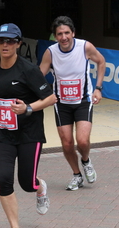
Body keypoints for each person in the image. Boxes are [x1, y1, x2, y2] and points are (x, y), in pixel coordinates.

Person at [0, 23, 57, 228]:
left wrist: (29, 108)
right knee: (3, 180)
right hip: (2, 134)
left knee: (26, 183)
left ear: (18, 44)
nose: (5, 45)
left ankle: (40, 187)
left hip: (28, 135)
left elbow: (51, 98)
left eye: (10, 41)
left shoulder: (28, 70)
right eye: (1, 41)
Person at [39, 16, 106, 191]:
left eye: (67, 33)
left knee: (82, 141)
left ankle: (86, 161)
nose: (64, 37)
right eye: (59, 34)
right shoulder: (51, 52)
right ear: (55, 36)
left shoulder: (85, 47)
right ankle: (77, 175)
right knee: (67, 143)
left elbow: (101, 62)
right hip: (61, 104)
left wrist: (98, 88)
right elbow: (38, 76)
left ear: (73, 33)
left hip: (83, 101)